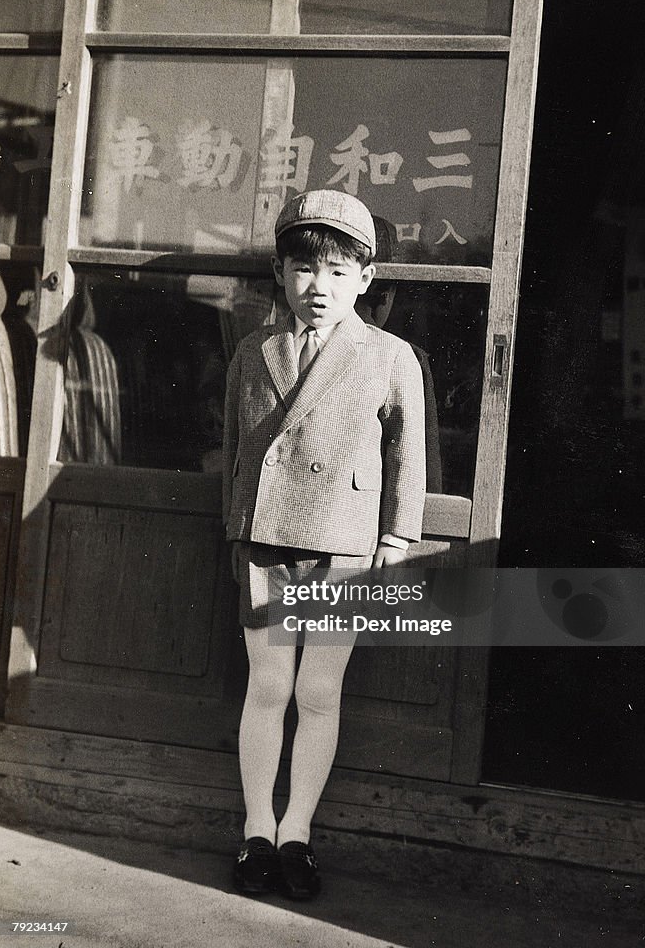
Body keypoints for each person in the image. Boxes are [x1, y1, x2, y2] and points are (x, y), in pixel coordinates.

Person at [222, 189, 426, 899]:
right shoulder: (254, 351)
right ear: (280, 274)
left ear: (365, 281)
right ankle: (255, 831)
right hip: (266, 540)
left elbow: (406, 453)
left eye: (339, 272)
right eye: (304, 269)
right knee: (269, 684)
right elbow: (237, 449)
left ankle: (296, 833)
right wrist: (238, 526)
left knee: (317, 689)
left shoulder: (390, 356)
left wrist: (396, 535)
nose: (319, 287)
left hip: (341, 546)